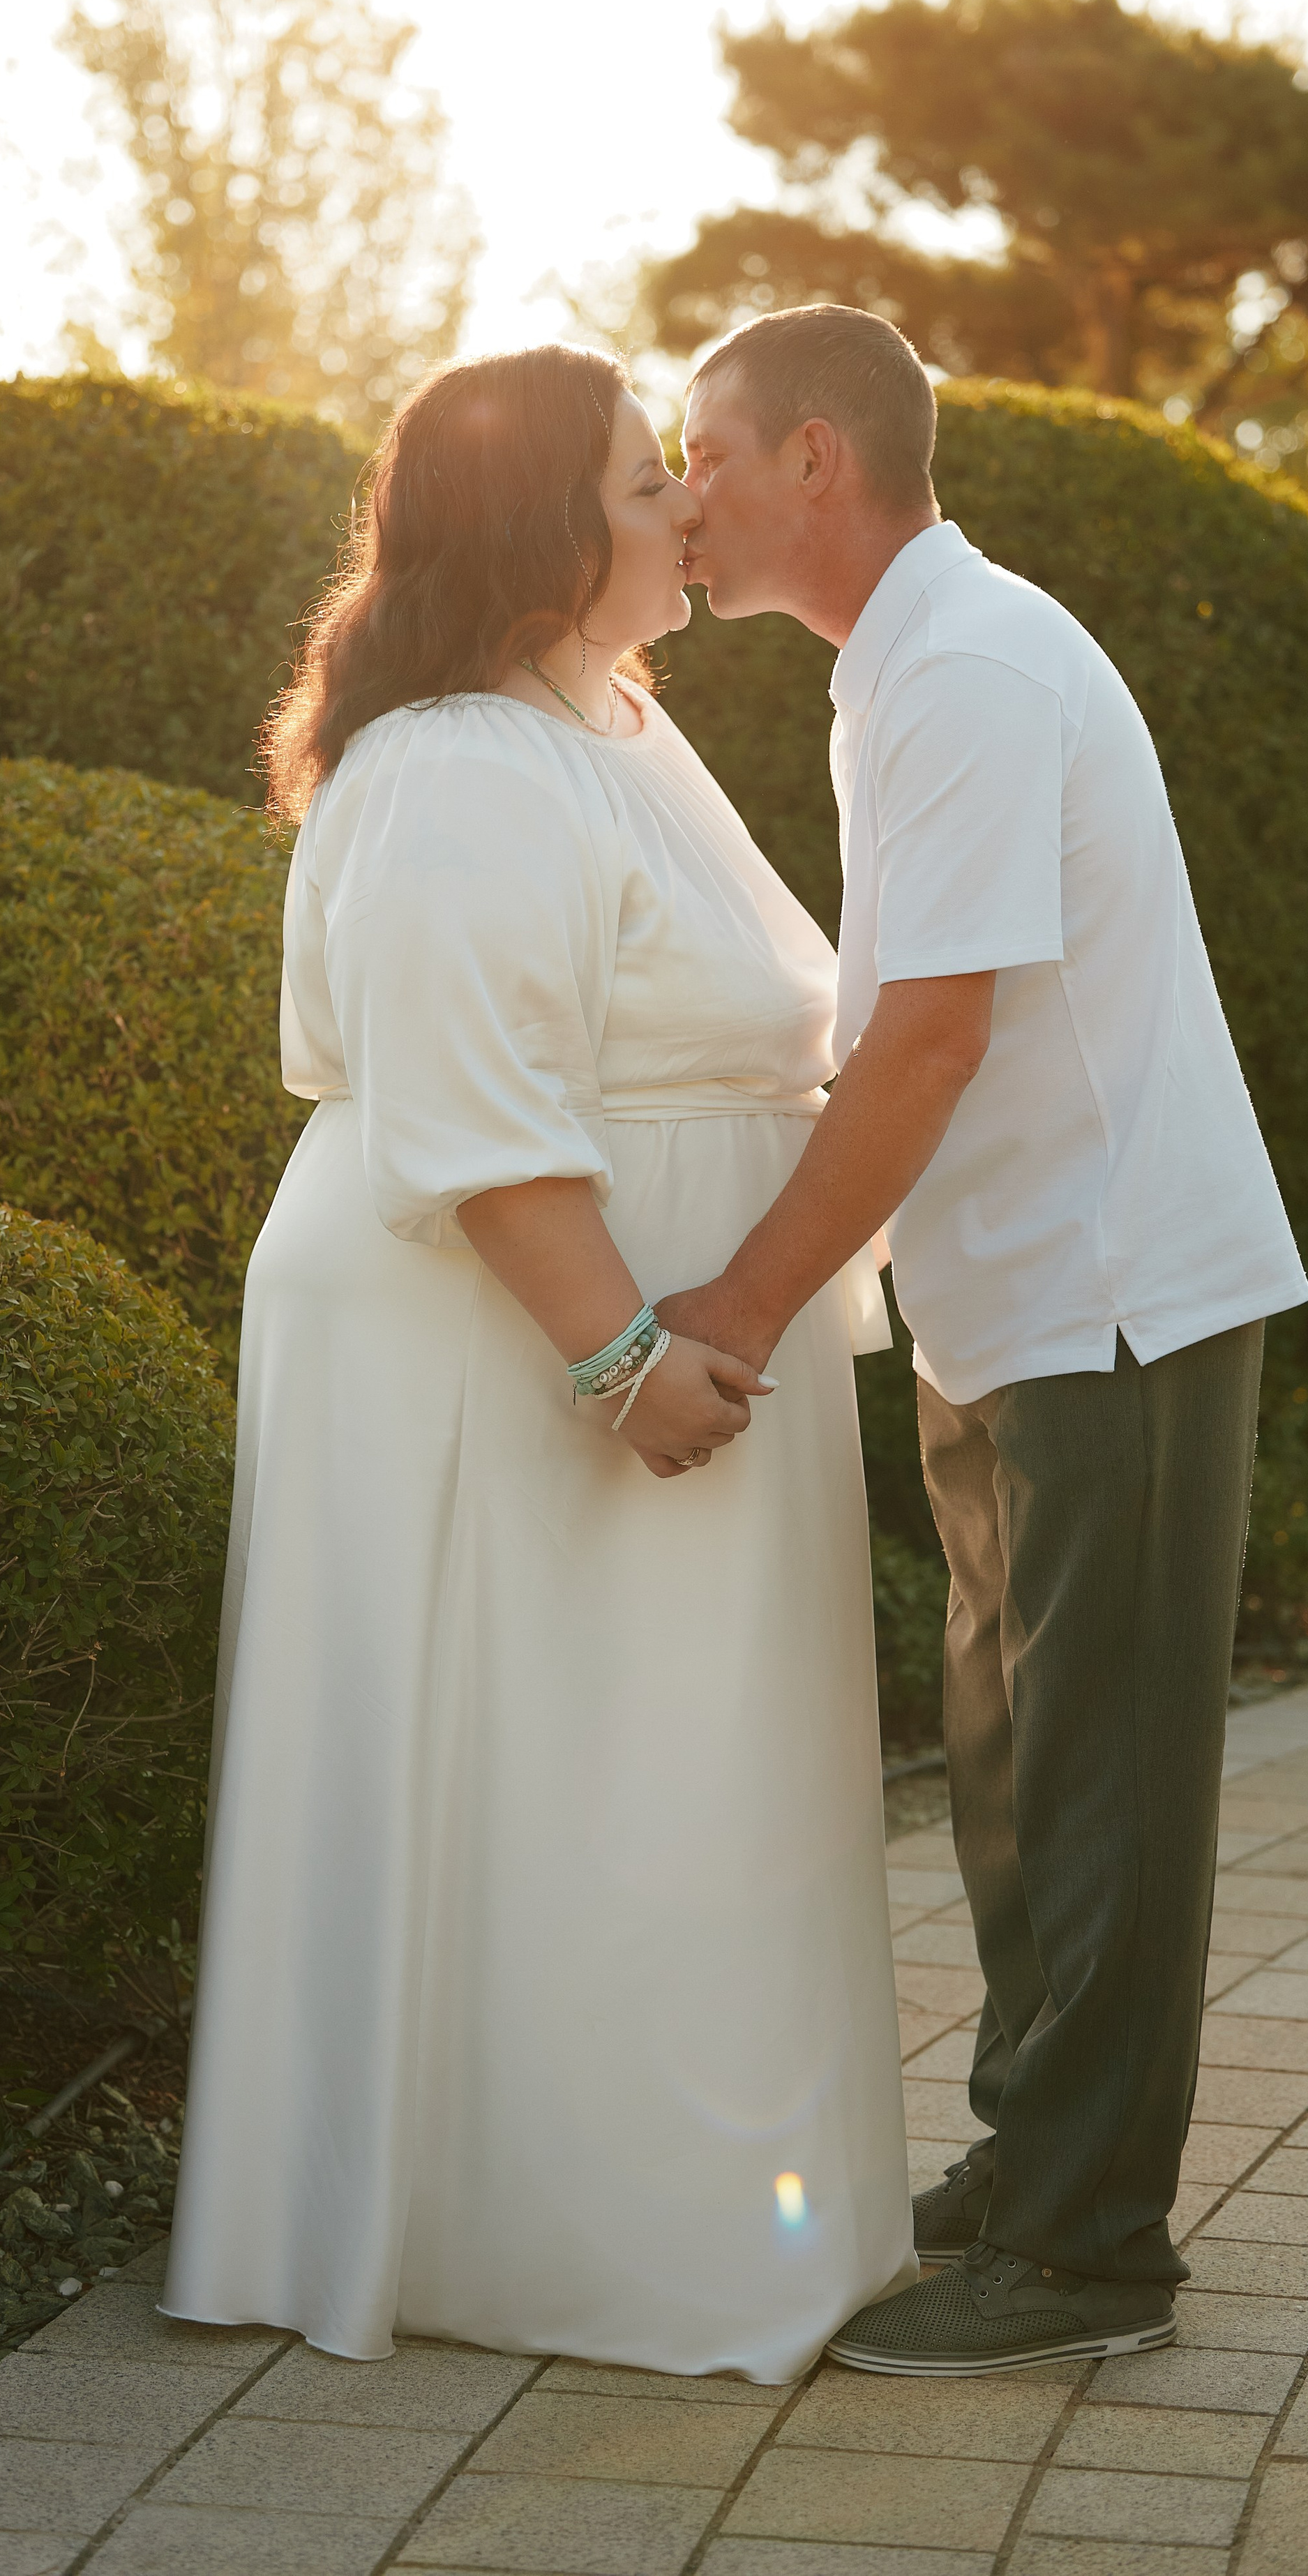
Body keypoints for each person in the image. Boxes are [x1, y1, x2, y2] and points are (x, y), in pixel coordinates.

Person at [160, 343, 914, 2384]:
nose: (683, 504)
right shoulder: (461, 768)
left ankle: (674, 2209)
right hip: (502, 1344)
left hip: (643, 1337)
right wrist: (617, 1358)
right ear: (537, 533)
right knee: (573, 1765)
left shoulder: (616, 722)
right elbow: (475, 1106)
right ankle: (542, 2236)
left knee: (654, 1773)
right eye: (640, 480)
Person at [661, 304, 1308, 2378]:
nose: (685, 496)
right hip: (1013, 1302)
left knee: (1099, 1781)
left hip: (1110, 1301)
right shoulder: (907, 669)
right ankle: (1038, 2165)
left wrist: (740, 1309)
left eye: (707, 454)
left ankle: (1092, 2251)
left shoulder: (963, 670)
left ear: (820, 460)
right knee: (1023, 1780)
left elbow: (929, 1039)